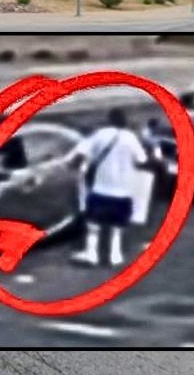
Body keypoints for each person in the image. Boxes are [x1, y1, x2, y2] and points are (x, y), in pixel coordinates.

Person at [69, 107, 148, 267]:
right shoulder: (130, 137)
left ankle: (92, 254)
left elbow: (80, 152)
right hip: (123, 191)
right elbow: (142, 160)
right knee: (117, 226)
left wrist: (73, 166)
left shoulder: (100, 134)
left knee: (93, 225)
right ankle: (115, 255)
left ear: (109, 119)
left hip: (100, 189)